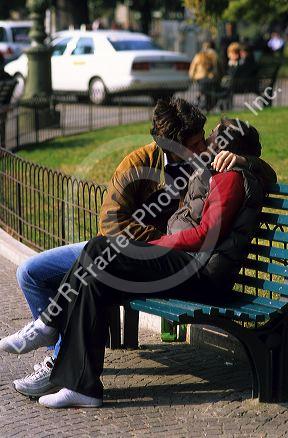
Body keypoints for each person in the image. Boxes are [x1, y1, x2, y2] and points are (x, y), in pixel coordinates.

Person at [4, 99, 276, 399]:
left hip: (186, 264)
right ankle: (80, 384)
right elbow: (111, 222)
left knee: (96, 257)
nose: (204, 150)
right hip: (137, 247)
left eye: (209, 144)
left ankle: (51, 328)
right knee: (76, 268)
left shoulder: (227, 175)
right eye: (199, 144)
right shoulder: (143, 163)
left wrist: (243, 161)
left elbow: (207, 233)